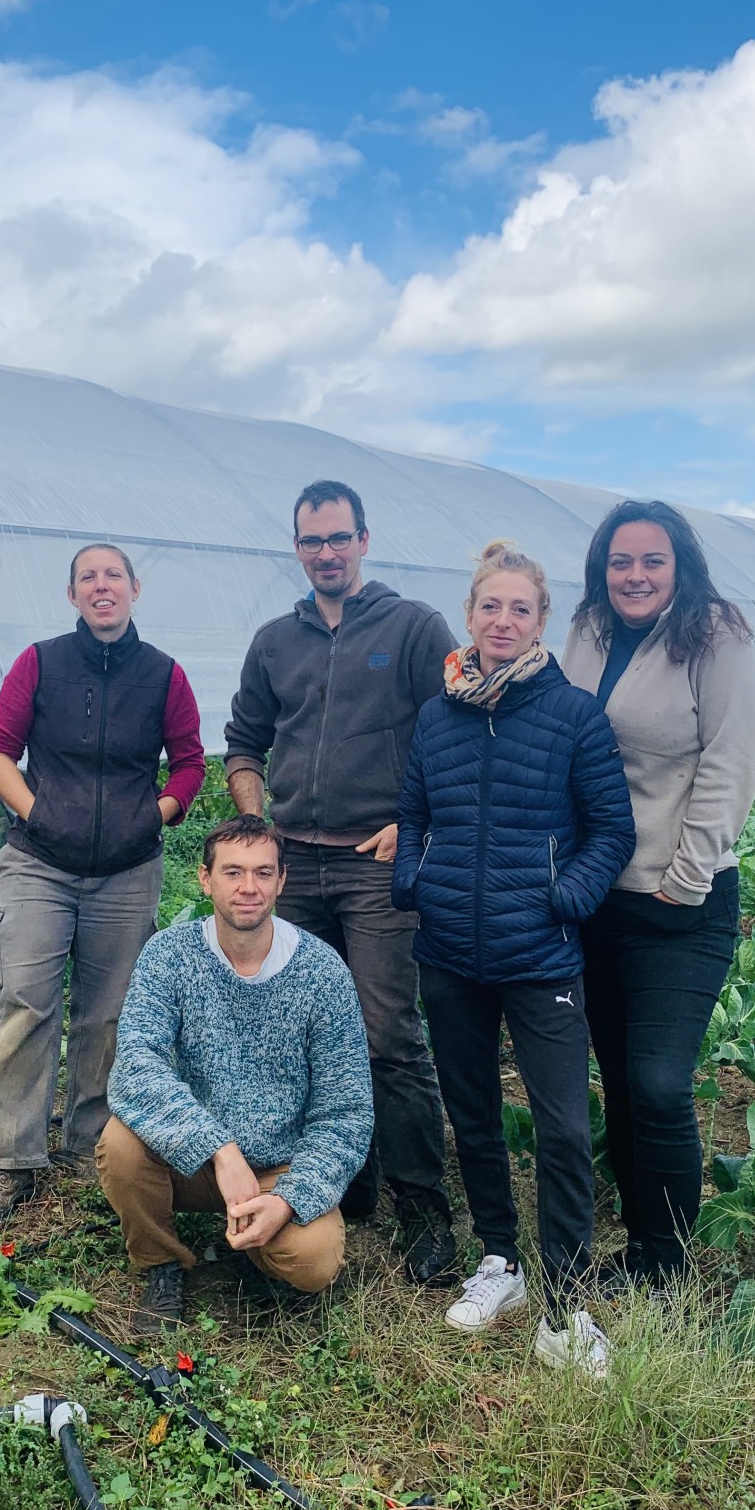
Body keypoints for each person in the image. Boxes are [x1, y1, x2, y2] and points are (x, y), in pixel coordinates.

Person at [392, 541, 636, 1373]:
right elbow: (414, 811)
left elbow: (612, 832)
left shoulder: (573, 715)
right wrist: (411, 881)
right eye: (489, 607)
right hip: (450, 953)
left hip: (542, 957)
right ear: (470, 616)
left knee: (564, 1128)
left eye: (519, 609)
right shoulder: (438, 715)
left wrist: (563, 899)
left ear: (541, 622)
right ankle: (500, 1262)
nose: (502, 621)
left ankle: (564, 1307)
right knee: (475, 1119)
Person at [223, 478, 459, 1286]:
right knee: (306, 1031)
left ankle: (422, 1201)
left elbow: (458, 731)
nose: (325, 553)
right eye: (310, 541)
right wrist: (256, 824)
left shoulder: (414, 627)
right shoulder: (273, 642)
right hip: (297, 862)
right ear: (296, 548)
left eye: (337, 538)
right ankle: (343, 1182)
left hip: (376, 863)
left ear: (364, 539)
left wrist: (415, 821)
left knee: (388, 1031)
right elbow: (245, 742)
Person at [0, 542, 206, 1227]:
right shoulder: (41, 663)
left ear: (134, 589)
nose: (102, 587)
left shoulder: (163, 675)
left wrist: (150, 817)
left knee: (108, 1014)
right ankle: (11, 1162)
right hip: (40, 863)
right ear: (72, 596)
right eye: (88, 578)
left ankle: (89, 1144)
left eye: (113, 577)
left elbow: (189, 763)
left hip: (126, 871)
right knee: (27, 1002)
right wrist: (36, 811)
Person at [562, 500, 755, 1288]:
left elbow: (730, 758)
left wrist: (686, 875)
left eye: (651, 561)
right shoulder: (589, 629)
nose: (635, 575)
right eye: (620, 561)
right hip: (597, 895)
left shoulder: (717, 636)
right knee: (615, 1072)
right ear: (601, 570)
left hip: (681, 903)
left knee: (658, 1081)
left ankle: (667, 1260)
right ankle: (640, 1228)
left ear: (679, 566)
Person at [99, 815, 374, 1335]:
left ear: (281, 881)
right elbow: (136, 1064)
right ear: (205, 880)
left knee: (314, 1263)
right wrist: (219, 1150)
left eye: (263, 873)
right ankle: (161, 1262)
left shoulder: (322, 972)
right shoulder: (169, 956)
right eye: (232, 872)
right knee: (121, 1145)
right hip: (196, 1160)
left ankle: (254, 1238)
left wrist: (289, 1198)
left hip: (279, 1167)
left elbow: (347, 1113)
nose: (249, 888)